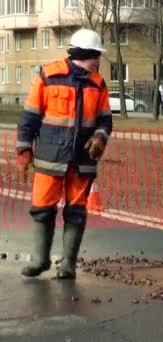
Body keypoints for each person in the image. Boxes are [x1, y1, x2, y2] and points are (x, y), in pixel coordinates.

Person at [15, 28, 112, 279]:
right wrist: (24, 151)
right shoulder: (48, 76)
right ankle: (40, 260)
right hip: (50, 160)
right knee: (42, 208)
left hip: (82, 161)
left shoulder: (98, 84)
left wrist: (100, 137)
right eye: (97, 56)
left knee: (76, 211)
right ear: (86, 54)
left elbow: (105, 120)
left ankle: (68, 264)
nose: (99, 61)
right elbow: (29, 118)